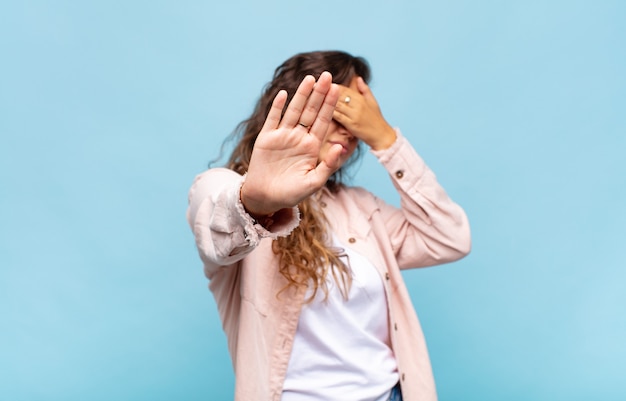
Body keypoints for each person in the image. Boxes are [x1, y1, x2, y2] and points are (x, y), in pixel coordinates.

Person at [186, 51, 471, 401]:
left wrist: (386, 139)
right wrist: (258, 202)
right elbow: (218, 228)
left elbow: (450, 238)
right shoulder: (222, 188)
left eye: (356, 116)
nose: (349, 128)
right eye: (337, 108)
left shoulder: (362, 208)